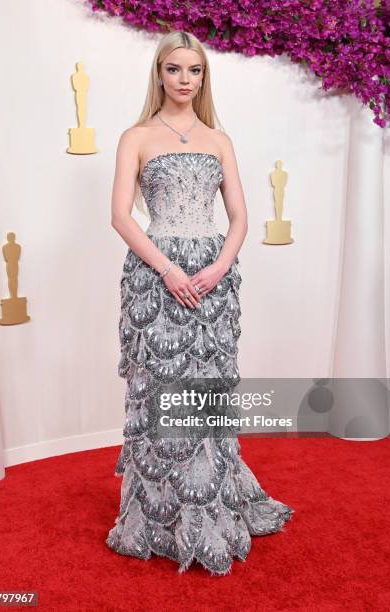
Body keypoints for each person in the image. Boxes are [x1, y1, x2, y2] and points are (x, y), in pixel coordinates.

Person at [106, 30, 294, 576]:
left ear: (203, 78)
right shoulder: (135, 136)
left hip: (213, 279)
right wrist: (167, 269)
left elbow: (239, 218)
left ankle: (209, 503)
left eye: (195, 71)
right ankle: (158, 517)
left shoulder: (219, 140)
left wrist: (217, 267)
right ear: (159, 74)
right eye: (175, 70)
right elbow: (121, 216)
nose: (185, 80)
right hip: (153, 275)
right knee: (157, 389)